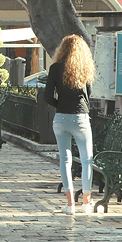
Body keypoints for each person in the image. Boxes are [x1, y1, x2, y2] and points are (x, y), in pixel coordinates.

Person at [43, 34, 95, 214]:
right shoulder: (84, 68)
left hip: (61, 118)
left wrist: (60, 105)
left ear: (62, 49)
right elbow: (89, 93)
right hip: (80, 117)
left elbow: (47, 96)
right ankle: (86, 203)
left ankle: (70, 204)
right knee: (87, 159)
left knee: (65, 160)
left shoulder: (55, 68)